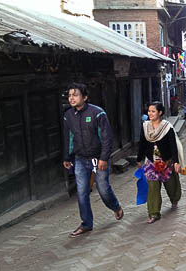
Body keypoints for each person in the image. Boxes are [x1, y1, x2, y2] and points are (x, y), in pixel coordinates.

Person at [62, 83, 123, 238]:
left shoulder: (97, 113)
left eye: (75, 95)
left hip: (98, 158)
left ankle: (116, 207)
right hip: (80, 159)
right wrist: (67, 157)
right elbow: (68, 138)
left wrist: (104, 158)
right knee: (82, 192)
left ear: (85, 97)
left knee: (103, 189)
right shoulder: (68, 115)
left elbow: (106, 138)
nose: (71, 98)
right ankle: (86, 224)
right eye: (69, 95)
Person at [137, 102, 183, 223]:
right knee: (152, 187)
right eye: (149, 111)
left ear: (160, 113)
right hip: (151, 163)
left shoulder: (167, 127)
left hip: (166, 162)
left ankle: (174, 198)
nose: (150, 113)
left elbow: (173, 146)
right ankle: (154, 213)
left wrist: (176, 162)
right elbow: (142, 143)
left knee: (171, 184)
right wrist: (139, 159)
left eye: (153, 111)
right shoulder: (145, 126)